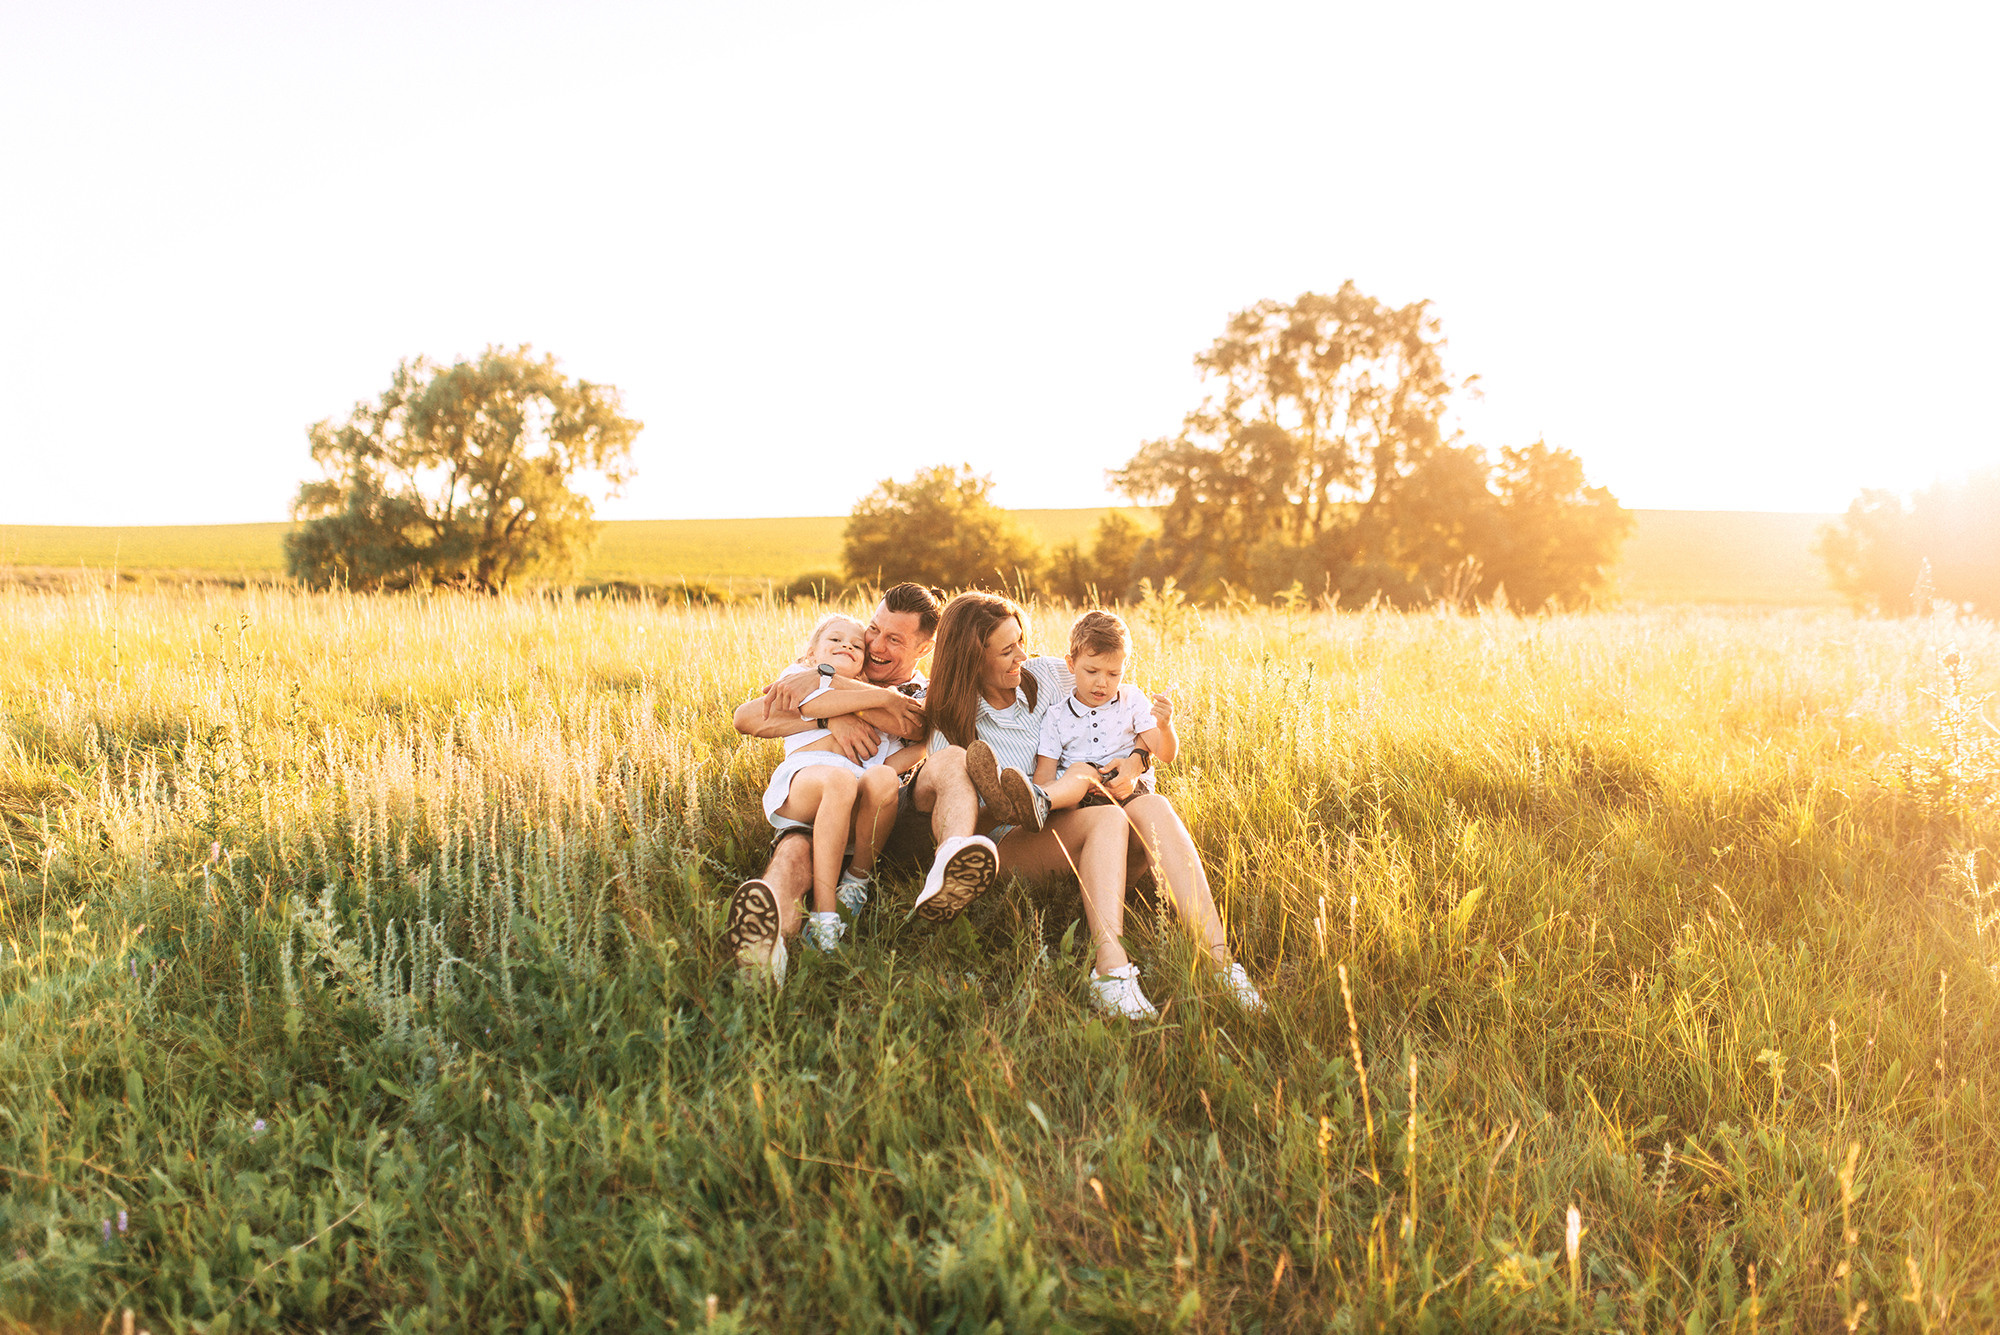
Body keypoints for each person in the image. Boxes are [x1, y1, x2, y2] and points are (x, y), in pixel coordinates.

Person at [930, 591, 1263, 1019]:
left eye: (1021, 641)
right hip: (1014, 842)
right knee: (1103, 813)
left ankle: (1221, 963)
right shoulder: (951, 719)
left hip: (1084, 817)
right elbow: (954, 813)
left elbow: (1119, 698)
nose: (1022, 656)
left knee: (1155, 806)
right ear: (971, 658)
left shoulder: (1050, 675)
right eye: (1007, 650)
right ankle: (1111, 972)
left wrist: (1137, 759)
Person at [720, 583, 998, 982]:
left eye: (894, 640)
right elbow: (748, 717)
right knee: (794, 853)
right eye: (874, 629)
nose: (875, 646)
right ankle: (763, 950)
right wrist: (826, 716)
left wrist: (830, 686)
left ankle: (938, 864)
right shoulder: (837, 657)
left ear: (924, 648)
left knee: (909, 771)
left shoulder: (915, 690)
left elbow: (911, 722)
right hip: (820, 796)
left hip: (882, 807)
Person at [757, 613, 926, 956]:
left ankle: (855, 882)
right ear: (811, 653)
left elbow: (914, 735)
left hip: (855, 795)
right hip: (806, 782)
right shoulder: (799, 676)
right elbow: (766, 711)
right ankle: (825, 913)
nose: (846, 646)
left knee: (881, 777)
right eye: (834, 640)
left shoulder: (875, 691)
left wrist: (877, 699)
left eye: (854, 645)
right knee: (839, 780)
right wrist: (878, 701)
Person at [964, 608, 1173, 826]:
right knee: (1079, 773)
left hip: (1130, 789)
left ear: (1124, 668)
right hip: (1081, 801)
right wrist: (1048, 790)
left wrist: (1165, 728)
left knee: (1083, 773)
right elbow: (1045, 773)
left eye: (1113, 674)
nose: (1102, 683)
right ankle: (1031, 803)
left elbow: (1166, 754)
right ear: (1071, 665)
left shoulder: (1131, 699)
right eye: (1092, 672)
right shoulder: (1056, 715)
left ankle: (1033, 803)